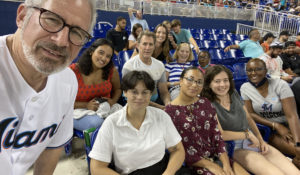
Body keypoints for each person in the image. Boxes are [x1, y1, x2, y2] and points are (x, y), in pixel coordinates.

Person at [0, 0, 96, 174]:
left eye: (77, 33)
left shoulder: (67, 81)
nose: (61, 41)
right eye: (52, 19)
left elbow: (52, 147)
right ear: (22, 16)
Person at [201, 65, 300, 175]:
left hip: (253, 140)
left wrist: (260, 139)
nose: (223, 85)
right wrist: (248, 135)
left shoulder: (233, 93)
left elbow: (248, 117)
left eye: (225, 80)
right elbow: (221, 134)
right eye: (217, 81)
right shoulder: (206, 103)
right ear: (209, 84)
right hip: (233, 146)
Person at [89, 70, 185, 175]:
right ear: (125, 92)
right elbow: (97, 168)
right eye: (134, 92)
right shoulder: (111, 123)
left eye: (145, 92)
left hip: (162, 169)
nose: (139, 97)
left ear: (150, 94)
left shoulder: (161, 116)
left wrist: (168, 173)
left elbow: (177, 150)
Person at [165, 67, 249, 175]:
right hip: (194, 165)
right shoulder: (169, 112)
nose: (195, 85)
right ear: (181, 81)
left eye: (199, 82)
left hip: (217, 157)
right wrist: (210, 165)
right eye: (190, 79)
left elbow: (217, 136)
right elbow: (178, 151)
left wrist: (226, 164)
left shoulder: (205, 103)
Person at [241, 58, 300, 169]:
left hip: (290, 126)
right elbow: (250, 114)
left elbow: (292, 115)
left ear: (265, 70)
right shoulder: (245, 88)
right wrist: (275, 125)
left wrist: (298, 142)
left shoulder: (280, 85)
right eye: (249, 70)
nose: (253, 73)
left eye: (258, 69)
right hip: (269, 130)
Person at [70, 39, 122, 131]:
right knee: (97, 123)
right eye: (101, 53)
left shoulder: (111, 70)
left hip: (103, 109)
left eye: (108, 56)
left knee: (126, 117)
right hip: (77, 111)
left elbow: (118, 89)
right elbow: (62, 103)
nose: (103, 58)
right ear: (91, 51)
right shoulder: (73, 71)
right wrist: (86, 105)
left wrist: (112, 101)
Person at [122, 31, 171, 109]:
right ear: (138, 45)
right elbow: (129, 97)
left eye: (151, 44)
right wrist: (159, 107)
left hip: (155, 103)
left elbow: (164, 92)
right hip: (135, 105)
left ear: (154, 46)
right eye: (144, 44)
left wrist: (168, 105)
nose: (147, 48)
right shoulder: (129, 66)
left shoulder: (160, 65)